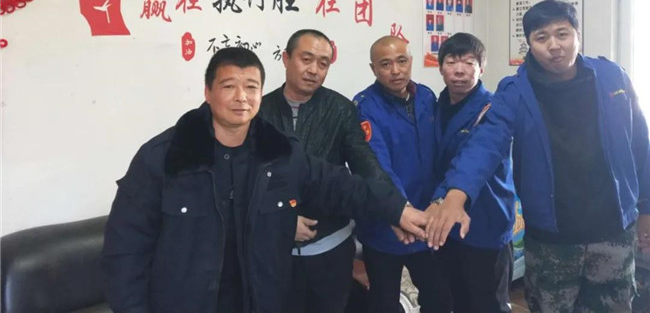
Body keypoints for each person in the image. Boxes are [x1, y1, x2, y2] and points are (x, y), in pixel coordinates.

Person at [102, 47, 427, 313]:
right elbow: (125, 251)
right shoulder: (166, 158)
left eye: (251, 87)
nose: (241, 97)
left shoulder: (279, 153)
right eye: (229, 86)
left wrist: (397, 210)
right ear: (208, 92)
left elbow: (340, 185)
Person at [426, 0, 650, 312]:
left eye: (562, 34)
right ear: (529, 44)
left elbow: (639, 144)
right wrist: (456, 194)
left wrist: (646, 209)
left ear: (577, 35)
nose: (554, 45)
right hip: (552, 239)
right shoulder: (516, 90)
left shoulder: (612, 77)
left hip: (612, 230)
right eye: (542, 37)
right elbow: (485, 143)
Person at [259, 29, 401, 313]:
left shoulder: (341, 109)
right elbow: (248, 180)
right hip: (273, 252)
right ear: (286, 59)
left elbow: (367, 167)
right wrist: (281, 219)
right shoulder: (259, 111)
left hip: (330, 250)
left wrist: (395, 210)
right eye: (306, 59)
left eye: (323, 63)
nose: (314, 70)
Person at [352, 36, 444, 313]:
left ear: (411, 62)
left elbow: (440, 155)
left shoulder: (426, 96)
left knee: (439, 297)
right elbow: (376, 165)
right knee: (384, 302)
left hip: (427, 221)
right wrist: (401, 212)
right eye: (385, 64)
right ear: (373, 69)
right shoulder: (365, 106)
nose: (395, 70)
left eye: (402, 61)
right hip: (384, 223)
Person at [427, 33, 515, 313]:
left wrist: (440, 199)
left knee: (487, 303)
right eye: (452, 62)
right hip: (445, 224)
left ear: (482, 68)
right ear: (441, 67)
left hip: (485, 220)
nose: (460, 70)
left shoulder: (493, 109)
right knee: (455, 299)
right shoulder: (434, 106)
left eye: (469, 62)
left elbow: (470, 159)